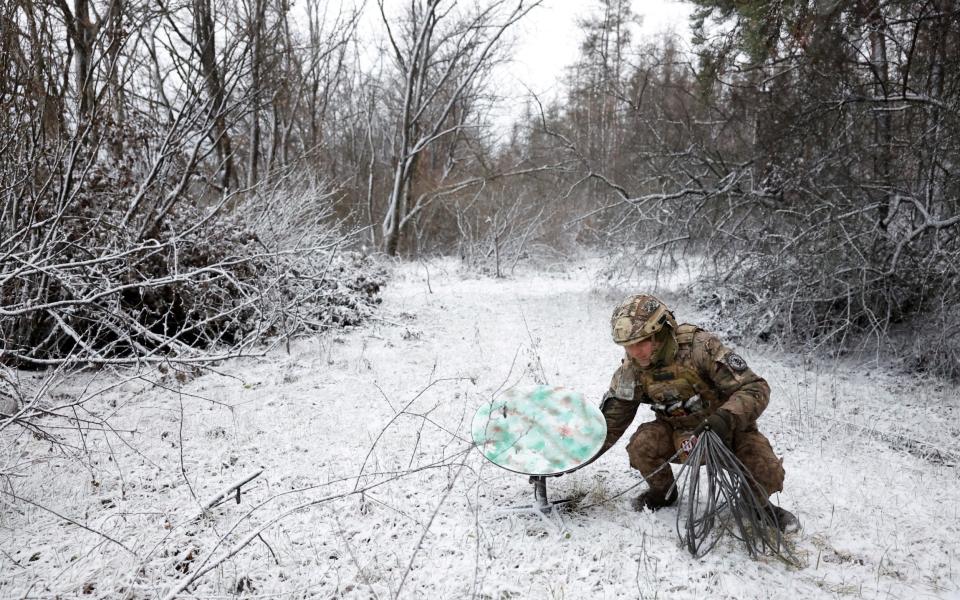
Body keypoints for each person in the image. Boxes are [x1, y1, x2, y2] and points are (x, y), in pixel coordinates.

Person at [598, 293, 799, 532]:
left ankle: (757, 506)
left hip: (727, 431)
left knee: (767, 469)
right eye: (628, 346)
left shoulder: (700, 348)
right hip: (679, 436)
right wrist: (570, 458)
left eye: (641, 342)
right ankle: (662, 494)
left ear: (660, 332)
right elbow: (611, 423)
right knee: (642, 444)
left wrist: (724, 418)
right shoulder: (631, 370)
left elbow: (755, 387)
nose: (634, 352)